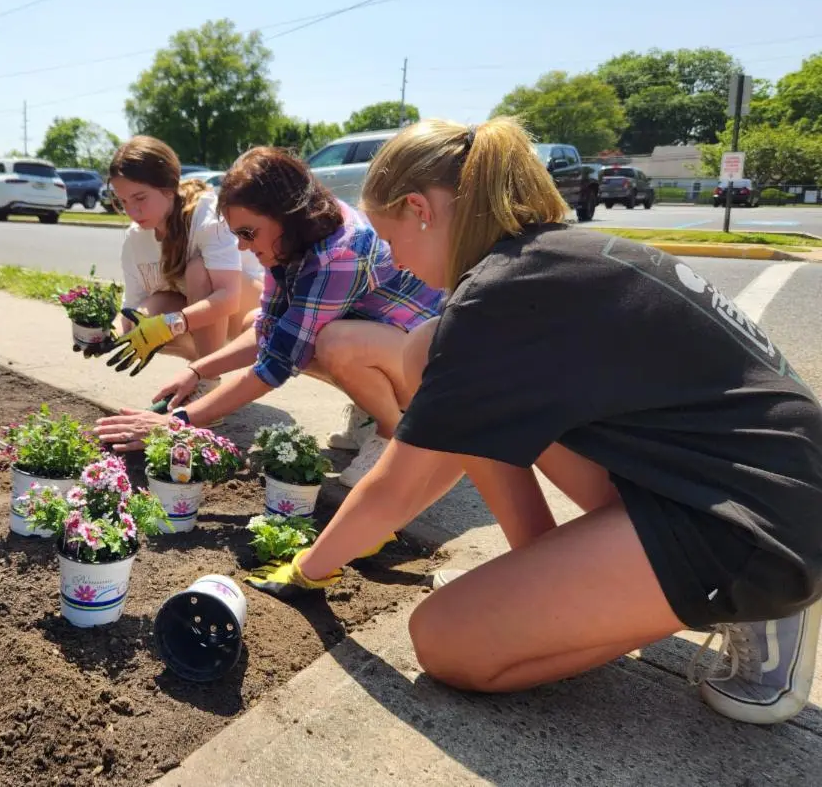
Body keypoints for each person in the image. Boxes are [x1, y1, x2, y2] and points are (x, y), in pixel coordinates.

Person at [246, 116, 822, 726]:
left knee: (446, 640)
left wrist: (309, 569)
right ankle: (556, 580)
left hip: (758, 524)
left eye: (389, 242)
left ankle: (755, 604)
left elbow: (400, 485)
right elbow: (449, 436)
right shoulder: (548, 258)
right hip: (758, 478)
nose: (397, 264)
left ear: (420, 209)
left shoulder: (496, 297)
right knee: (427, 351)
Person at [94, 146, 446, 486]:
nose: (244, 246)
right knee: (260, 324)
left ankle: (391, 431)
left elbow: (277, 363)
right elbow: (267, 330)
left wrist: (176, 422)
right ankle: (373, 409)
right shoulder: (296, 237)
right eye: (238, 236)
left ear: (286, 214)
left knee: (335, 343)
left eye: (248, 233)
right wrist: (197, 370)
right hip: (394, 348)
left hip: (430, 374)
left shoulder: (341, 253)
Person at [101, 136, 263, 400]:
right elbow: (134, 305)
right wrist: (108, 337)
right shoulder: (135, 239)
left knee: (198, 269)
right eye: (123, 201)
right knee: (145, 312)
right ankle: (198, 369)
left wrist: (170, 325)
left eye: (140, 197)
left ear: (168, 187)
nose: (132, 210)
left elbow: (229, 298)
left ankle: (206, 382)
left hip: (252, 312)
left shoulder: (206, 215)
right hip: (201, 319)